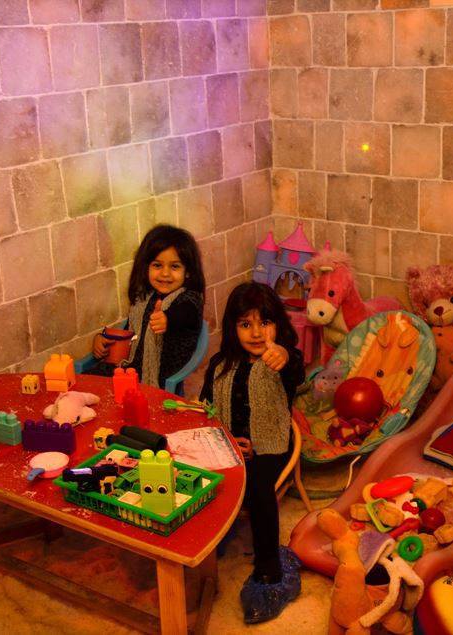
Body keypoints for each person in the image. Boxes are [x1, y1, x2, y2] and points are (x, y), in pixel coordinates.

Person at [199, 281, 305, 624]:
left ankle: (269, 568)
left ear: (278, 325)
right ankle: (206, 540)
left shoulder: (281, 361)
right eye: (246, 324)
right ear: (233, 328)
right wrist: (226, 438)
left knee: (259, 490)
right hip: (228, 442)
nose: (257, 333)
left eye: (265, 322)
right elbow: (208, 404)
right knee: (200, 475)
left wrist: (283, 355)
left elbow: (295, 369)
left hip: (269, 445)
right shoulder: (221, 363)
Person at [88, 225, 205, 389]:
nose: (165, 273)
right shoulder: (145, 298)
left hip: (158, 379)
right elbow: (130, 334)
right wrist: (103, 340)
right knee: (83, 385)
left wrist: (168, 319)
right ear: (146, 267)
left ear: (188, 271)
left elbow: (187, 314)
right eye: (157, 265)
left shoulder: (189, 298)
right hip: (129, 370)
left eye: (175, 266)